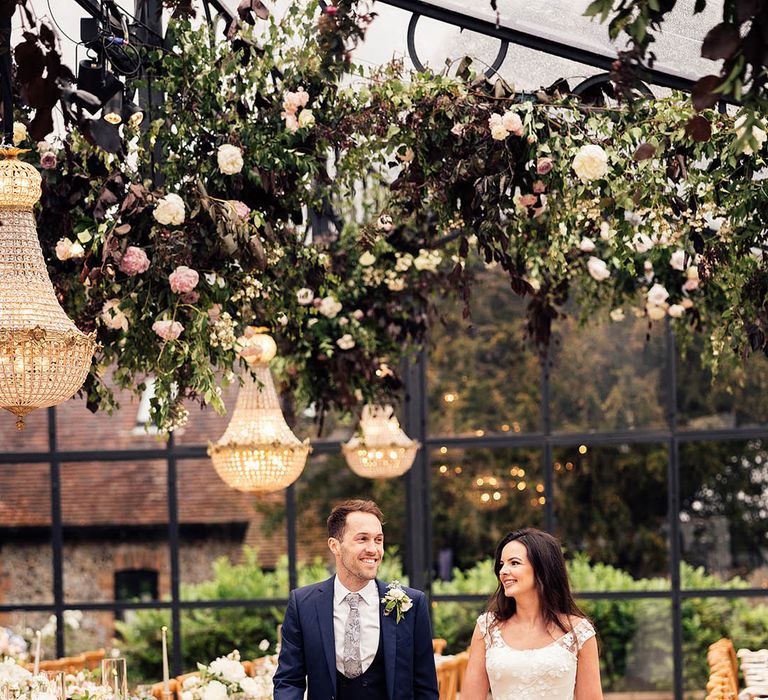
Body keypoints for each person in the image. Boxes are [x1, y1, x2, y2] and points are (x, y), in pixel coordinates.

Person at [273, 499, 439, 700]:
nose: (373, 549)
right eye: (362, 539)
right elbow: (289, 681)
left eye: (378, 540)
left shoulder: (412, 603)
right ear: (335, 546)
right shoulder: (302, 604)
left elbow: (426, 688)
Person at [461, 528, 603, 700]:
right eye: (501, 564)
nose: (503, 571)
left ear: (542, 569)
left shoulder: (580, 632)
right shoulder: (487, 627)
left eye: (514, 563)